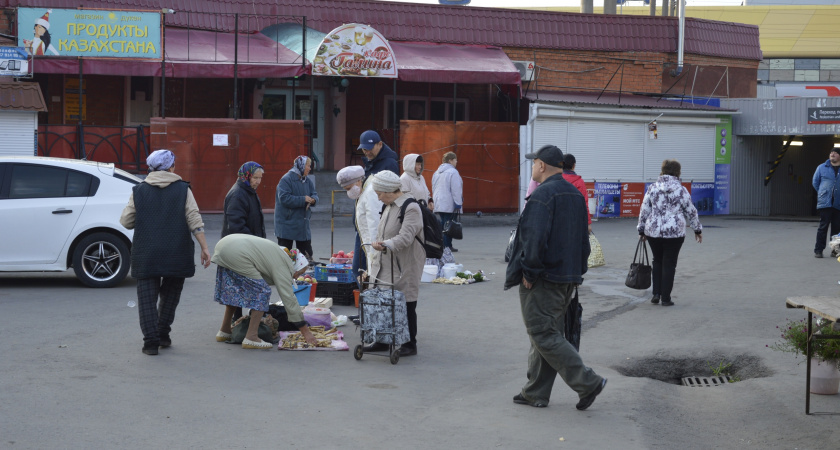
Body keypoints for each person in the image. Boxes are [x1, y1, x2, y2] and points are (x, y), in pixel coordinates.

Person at [505, 144, 606, 410]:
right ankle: (535, 392)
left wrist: (529, 271)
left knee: (543, 334)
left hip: (544, 278)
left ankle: (588, 382)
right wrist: (577, 272)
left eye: (534, 163)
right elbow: (584, 238)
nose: (532, 168)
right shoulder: (574, 194)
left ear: (541, 165)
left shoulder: (542, 196)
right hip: (567, 277)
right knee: (546, 333)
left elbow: (533, 240)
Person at [120, 149, 211, 356]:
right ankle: (163, 334)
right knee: (170, 295)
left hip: (146, 252)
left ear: (151, 168)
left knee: (146, 298)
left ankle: (150, 343)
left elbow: (126, 221)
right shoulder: (183, 189)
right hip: (176, 251)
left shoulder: (139, 190)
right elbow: (194, 219)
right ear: (171, 167)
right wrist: (205, 247)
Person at [212, 234, 317, 349]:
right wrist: (305, 331)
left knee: (235, 292)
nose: (297, 277)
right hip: (236, 252)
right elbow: (289, 298)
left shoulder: (278, 254)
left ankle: (224, 331)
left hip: (225, 245)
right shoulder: (283, 264)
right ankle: (251, 337)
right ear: (295, 266)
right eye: (299, 273)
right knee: (262, 291)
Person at [368, 171, 425, 357]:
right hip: (387, 260)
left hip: (405, 262)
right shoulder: (389, 205)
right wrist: (379, 246)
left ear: (389, 190)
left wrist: (384, 245)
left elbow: (406, 237)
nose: (378, 197)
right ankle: (382, 340)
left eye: (380, 193)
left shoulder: (410, 207)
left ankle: (410, 344)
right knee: (384, 299)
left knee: (406, 300)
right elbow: (382, 231)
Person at [637, 159, 703, 307]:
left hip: (653, 232)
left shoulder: (652, 188)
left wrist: (641, 229)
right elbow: (691, 211)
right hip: (674, 233)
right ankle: (666, 298)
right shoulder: (681, 190)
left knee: (657, 261)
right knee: (669, 263)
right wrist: (697, 229)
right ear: (678, 172)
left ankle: (656, 294)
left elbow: (644, 209)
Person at [221, 161, 266, 321]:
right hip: (239, 250)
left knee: (241, 287)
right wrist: (256, 244)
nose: (258, 181)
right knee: (239, 287)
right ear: (246, 176)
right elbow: (236, 226)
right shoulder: (238, 194)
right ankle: (237, 322)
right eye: (255, 177)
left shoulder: (248, 191)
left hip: (248, 248)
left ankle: (240, 322)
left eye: (260, 178)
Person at [336, 166, 382, 285]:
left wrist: (373, 252)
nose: (349, 192)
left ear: (358, 181)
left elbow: (374, 223)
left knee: (365, 274)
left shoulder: (370, 192)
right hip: (366, 241)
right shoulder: (364, 191)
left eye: (349, 188)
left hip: (372, 244)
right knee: (360, 272)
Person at [525, 153, 592, 233]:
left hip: (551, 222)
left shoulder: (553, 180)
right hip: (573, 221)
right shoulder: (579, 182)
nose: (533, 166)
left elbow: (529, 198)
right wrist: (588, 223)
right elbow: (584, 204)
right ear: (573, 166)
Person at [275, 155, 318, 258]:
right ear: (301, 166)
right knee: (285, 257)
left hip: (302, 225)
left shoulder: (307, 180)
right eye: (308, 166)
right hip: (286, 224)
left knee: (306, 256)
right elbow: (284, 199)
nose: (310, 168)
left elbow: (314, 193)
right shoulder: (286, 179)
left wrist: (313, 200)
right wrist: (303, 199)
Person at [431, 152, 463, 252]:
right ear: (450, 160)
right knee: (449, 225)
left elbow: (433, 187)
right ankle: (447, 246)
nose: (456, 161)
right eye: (455, 159)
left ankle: (442, 244)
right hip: (449, 203)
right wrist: (458, 202)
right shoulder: (453, 172)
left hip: (439, 202)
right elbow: (456, 189)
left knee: (443, 224)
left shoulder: (436, 172)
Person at [812, 147, 840, 258]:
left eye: (835, 152)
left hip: (838, 203)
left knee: (837, 228)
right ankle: (818, 250)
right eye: (831, 152)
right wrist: (823, 193)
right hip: (825, 203)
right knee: (823, 227)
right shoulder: (822, 167)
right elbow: (815, 182)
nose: (832, 154)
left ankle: (834, 250)